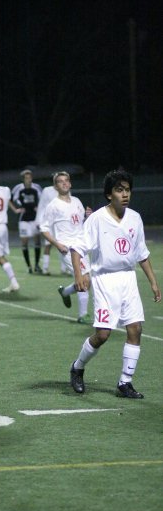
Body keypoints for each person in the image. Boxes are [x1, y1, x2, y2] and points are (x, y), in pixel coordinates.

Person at [69, 168, 161, 398]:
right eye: (119, 190)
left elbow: (142, 253)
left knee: (135, 329)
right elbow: (77, 249)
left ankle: (125, 382)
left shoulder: (135, 218)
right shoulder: (97, 219)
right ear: (109, 194)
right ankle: (78, 367)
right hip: (105, 280)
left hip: (128, 278)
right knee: (102, 335)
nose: (125, 194)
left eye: (127, 190)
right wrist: (79, 276)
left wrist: (153, 282)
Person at [40, 171, 92, 324]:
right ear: (56, 186)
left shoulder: (76, 201)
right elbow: (44, 228)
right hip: (67, 247)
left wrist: (89, 216)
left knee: (88, 279)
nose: (64, 183)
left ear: (70, 183)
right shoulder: (53, 206)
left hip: (81, 245)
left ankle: (66, 291)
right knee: (83, 277)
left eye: (66, 181)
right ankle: (83, 315)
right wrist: (57, 244)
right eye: (60, 181)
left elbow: (81, 222)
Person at [10, 168, 43, 273]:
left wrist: (39, 208)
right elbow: (9, 199)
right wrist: (15, 209)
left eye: (30, 177)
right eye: (26, 178)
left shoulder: (37, 188)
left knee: (37, 241)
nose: (29, 180)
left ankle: (37, 265)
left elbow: (43, 200)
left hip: (35, 218)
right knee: (25, 243)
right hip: (23, 219)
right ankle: (29, 266)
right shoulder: (18, 188)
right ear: (23, 179)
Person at [35, 181, 67, 275]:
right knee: (48, 245)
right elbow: (41, 206)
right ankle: (45, 268)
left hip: (61, 223)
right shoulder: (47, 190)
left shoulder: (65, 190)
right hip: (49, 222)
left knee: (63, 245)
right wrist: (38, 220)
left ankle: (64, 269)